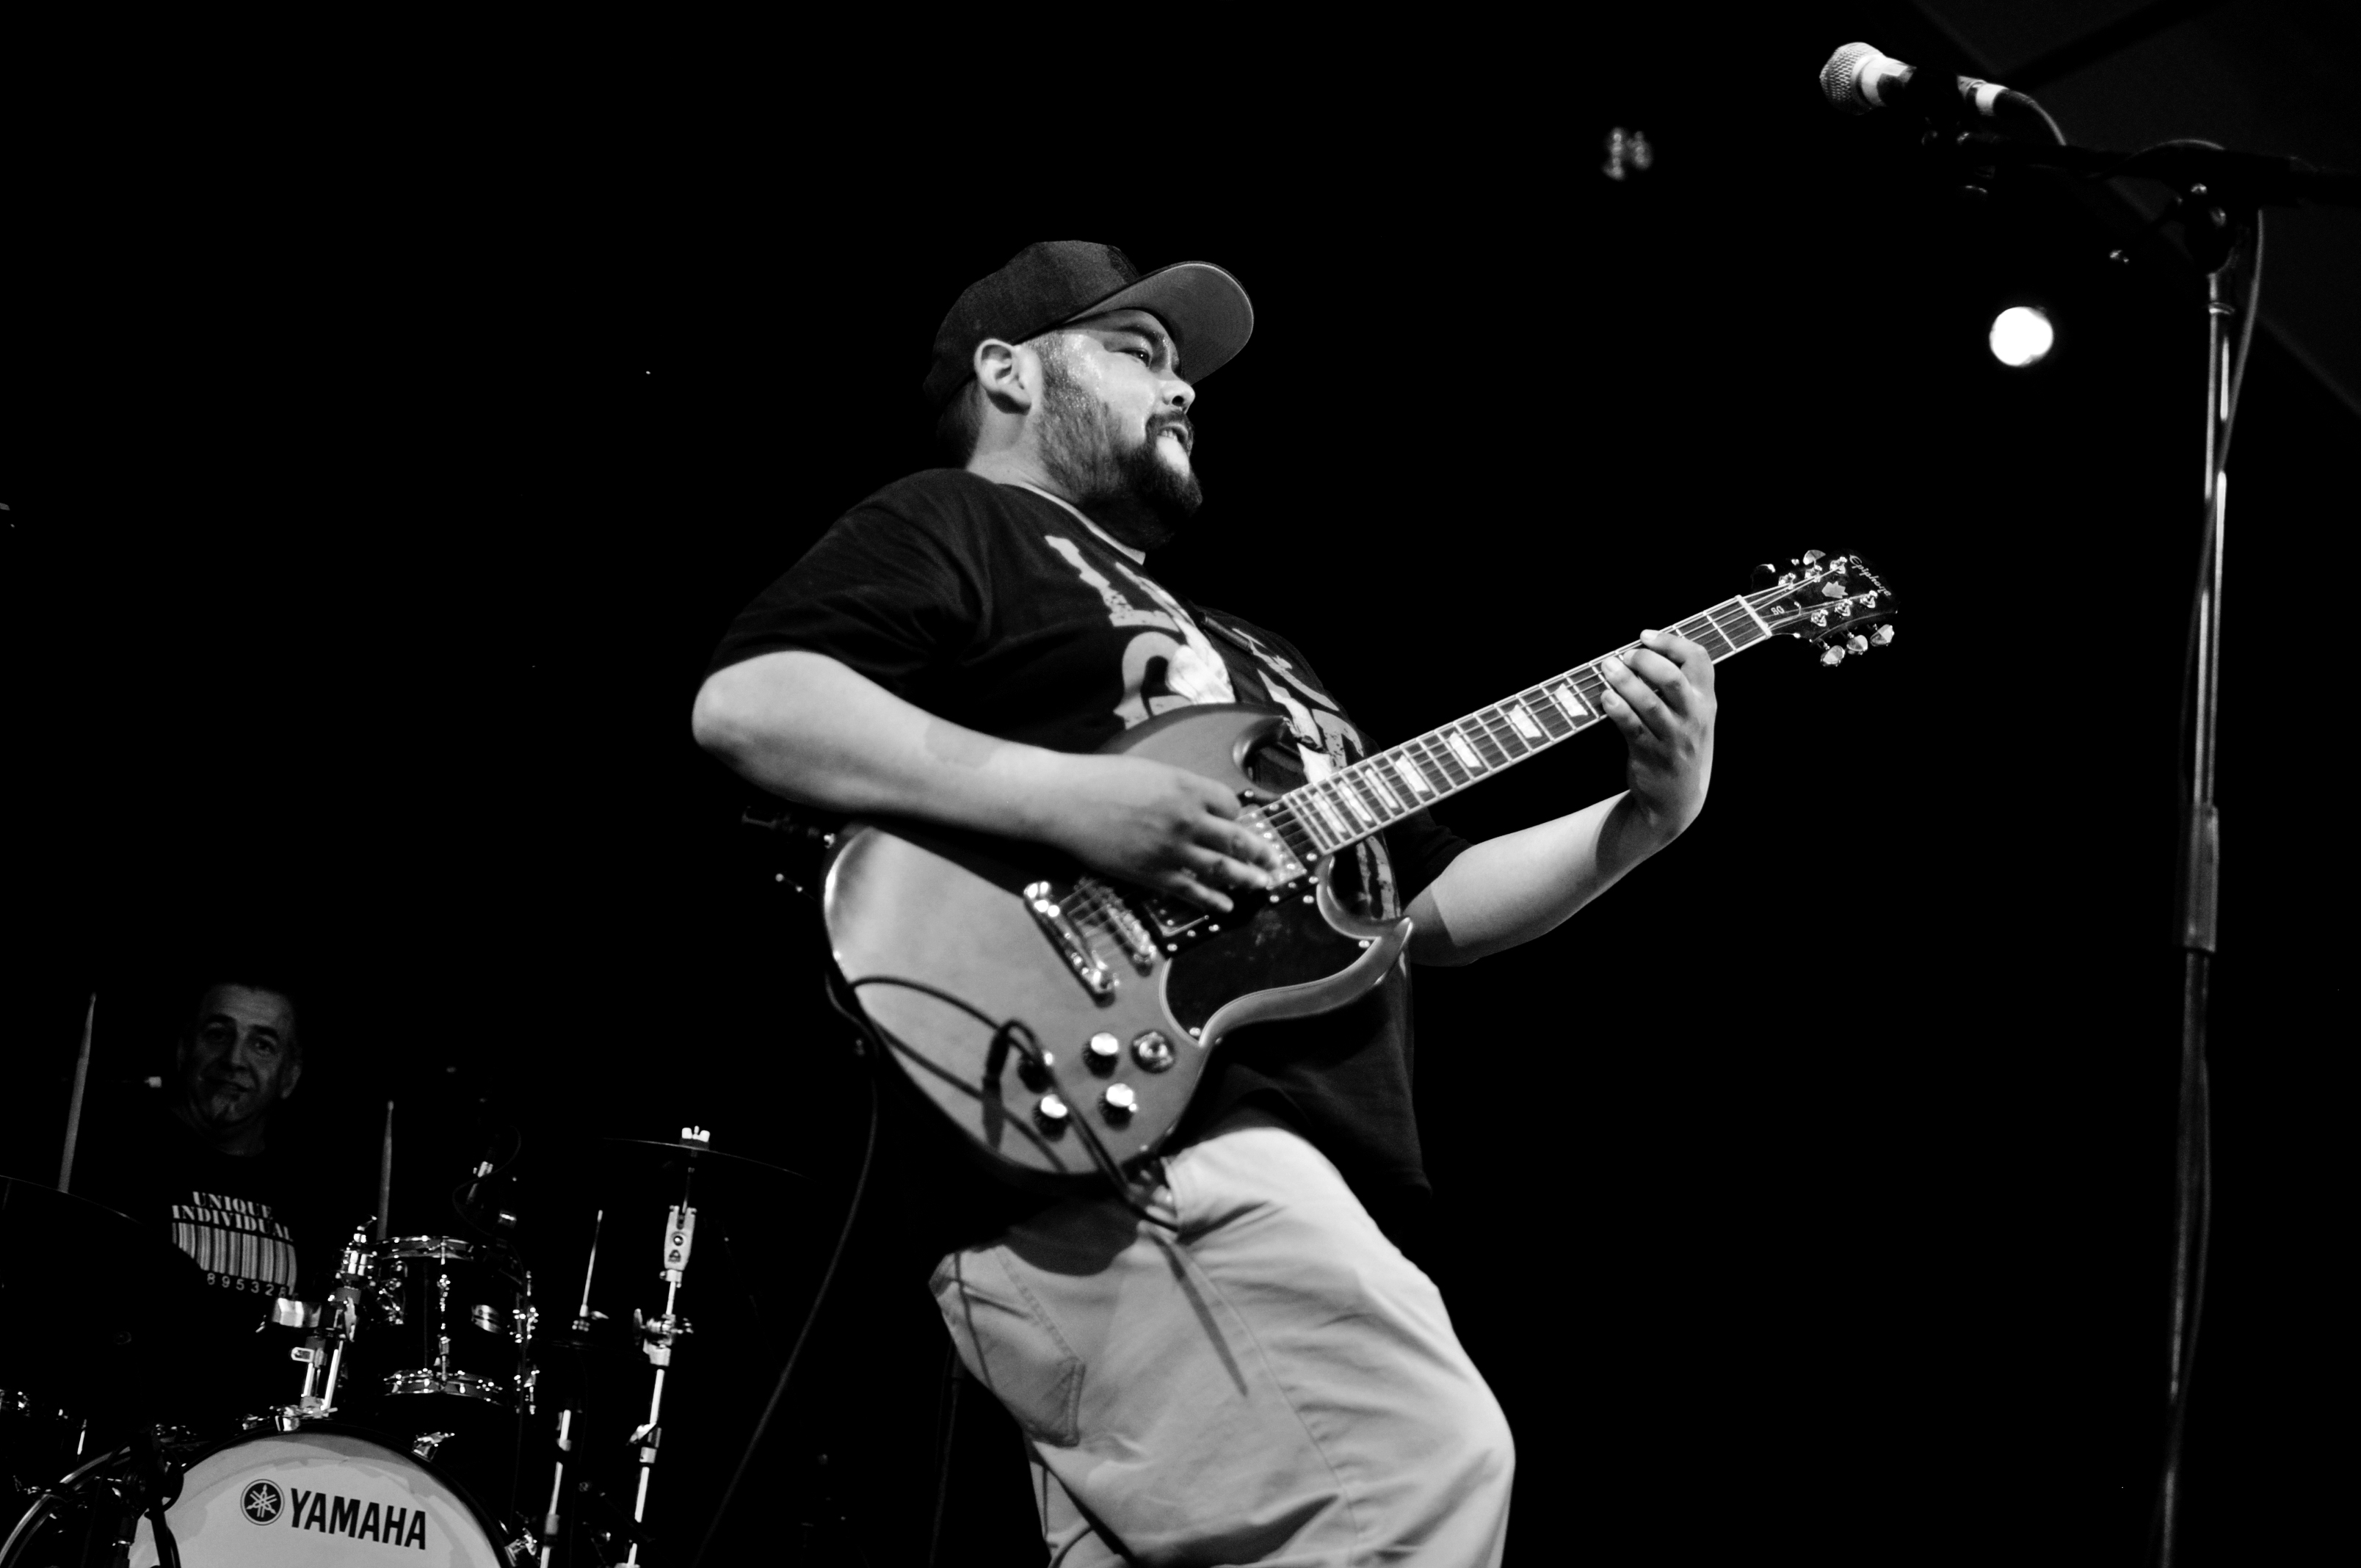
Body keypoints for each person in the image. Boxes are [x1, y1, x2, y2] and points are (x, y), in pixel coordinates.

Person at [692, 241, 1719, 1565]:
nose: (1184, 389)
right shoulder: (961, 522)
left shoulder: (1262, 657)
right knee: (1420, 1474)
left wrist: (1642, 823)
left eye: (1185, 370)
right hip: (1138, 1140)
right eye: (1138, 352)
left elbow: (1425, 906)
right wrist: (1077, 800)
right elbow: (756, 704)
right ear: (1008, 374)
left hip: (1242, 1167)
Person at [74, 978, 338, 1428]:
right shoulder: (110, 1162)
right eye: (218, 1034)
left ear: (290, 1076)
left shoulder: (314, 1203)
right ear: (183, 1050)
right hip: (120, 1444)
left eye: (262, 1045)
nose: (234, 1059)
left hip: (258, 1455)